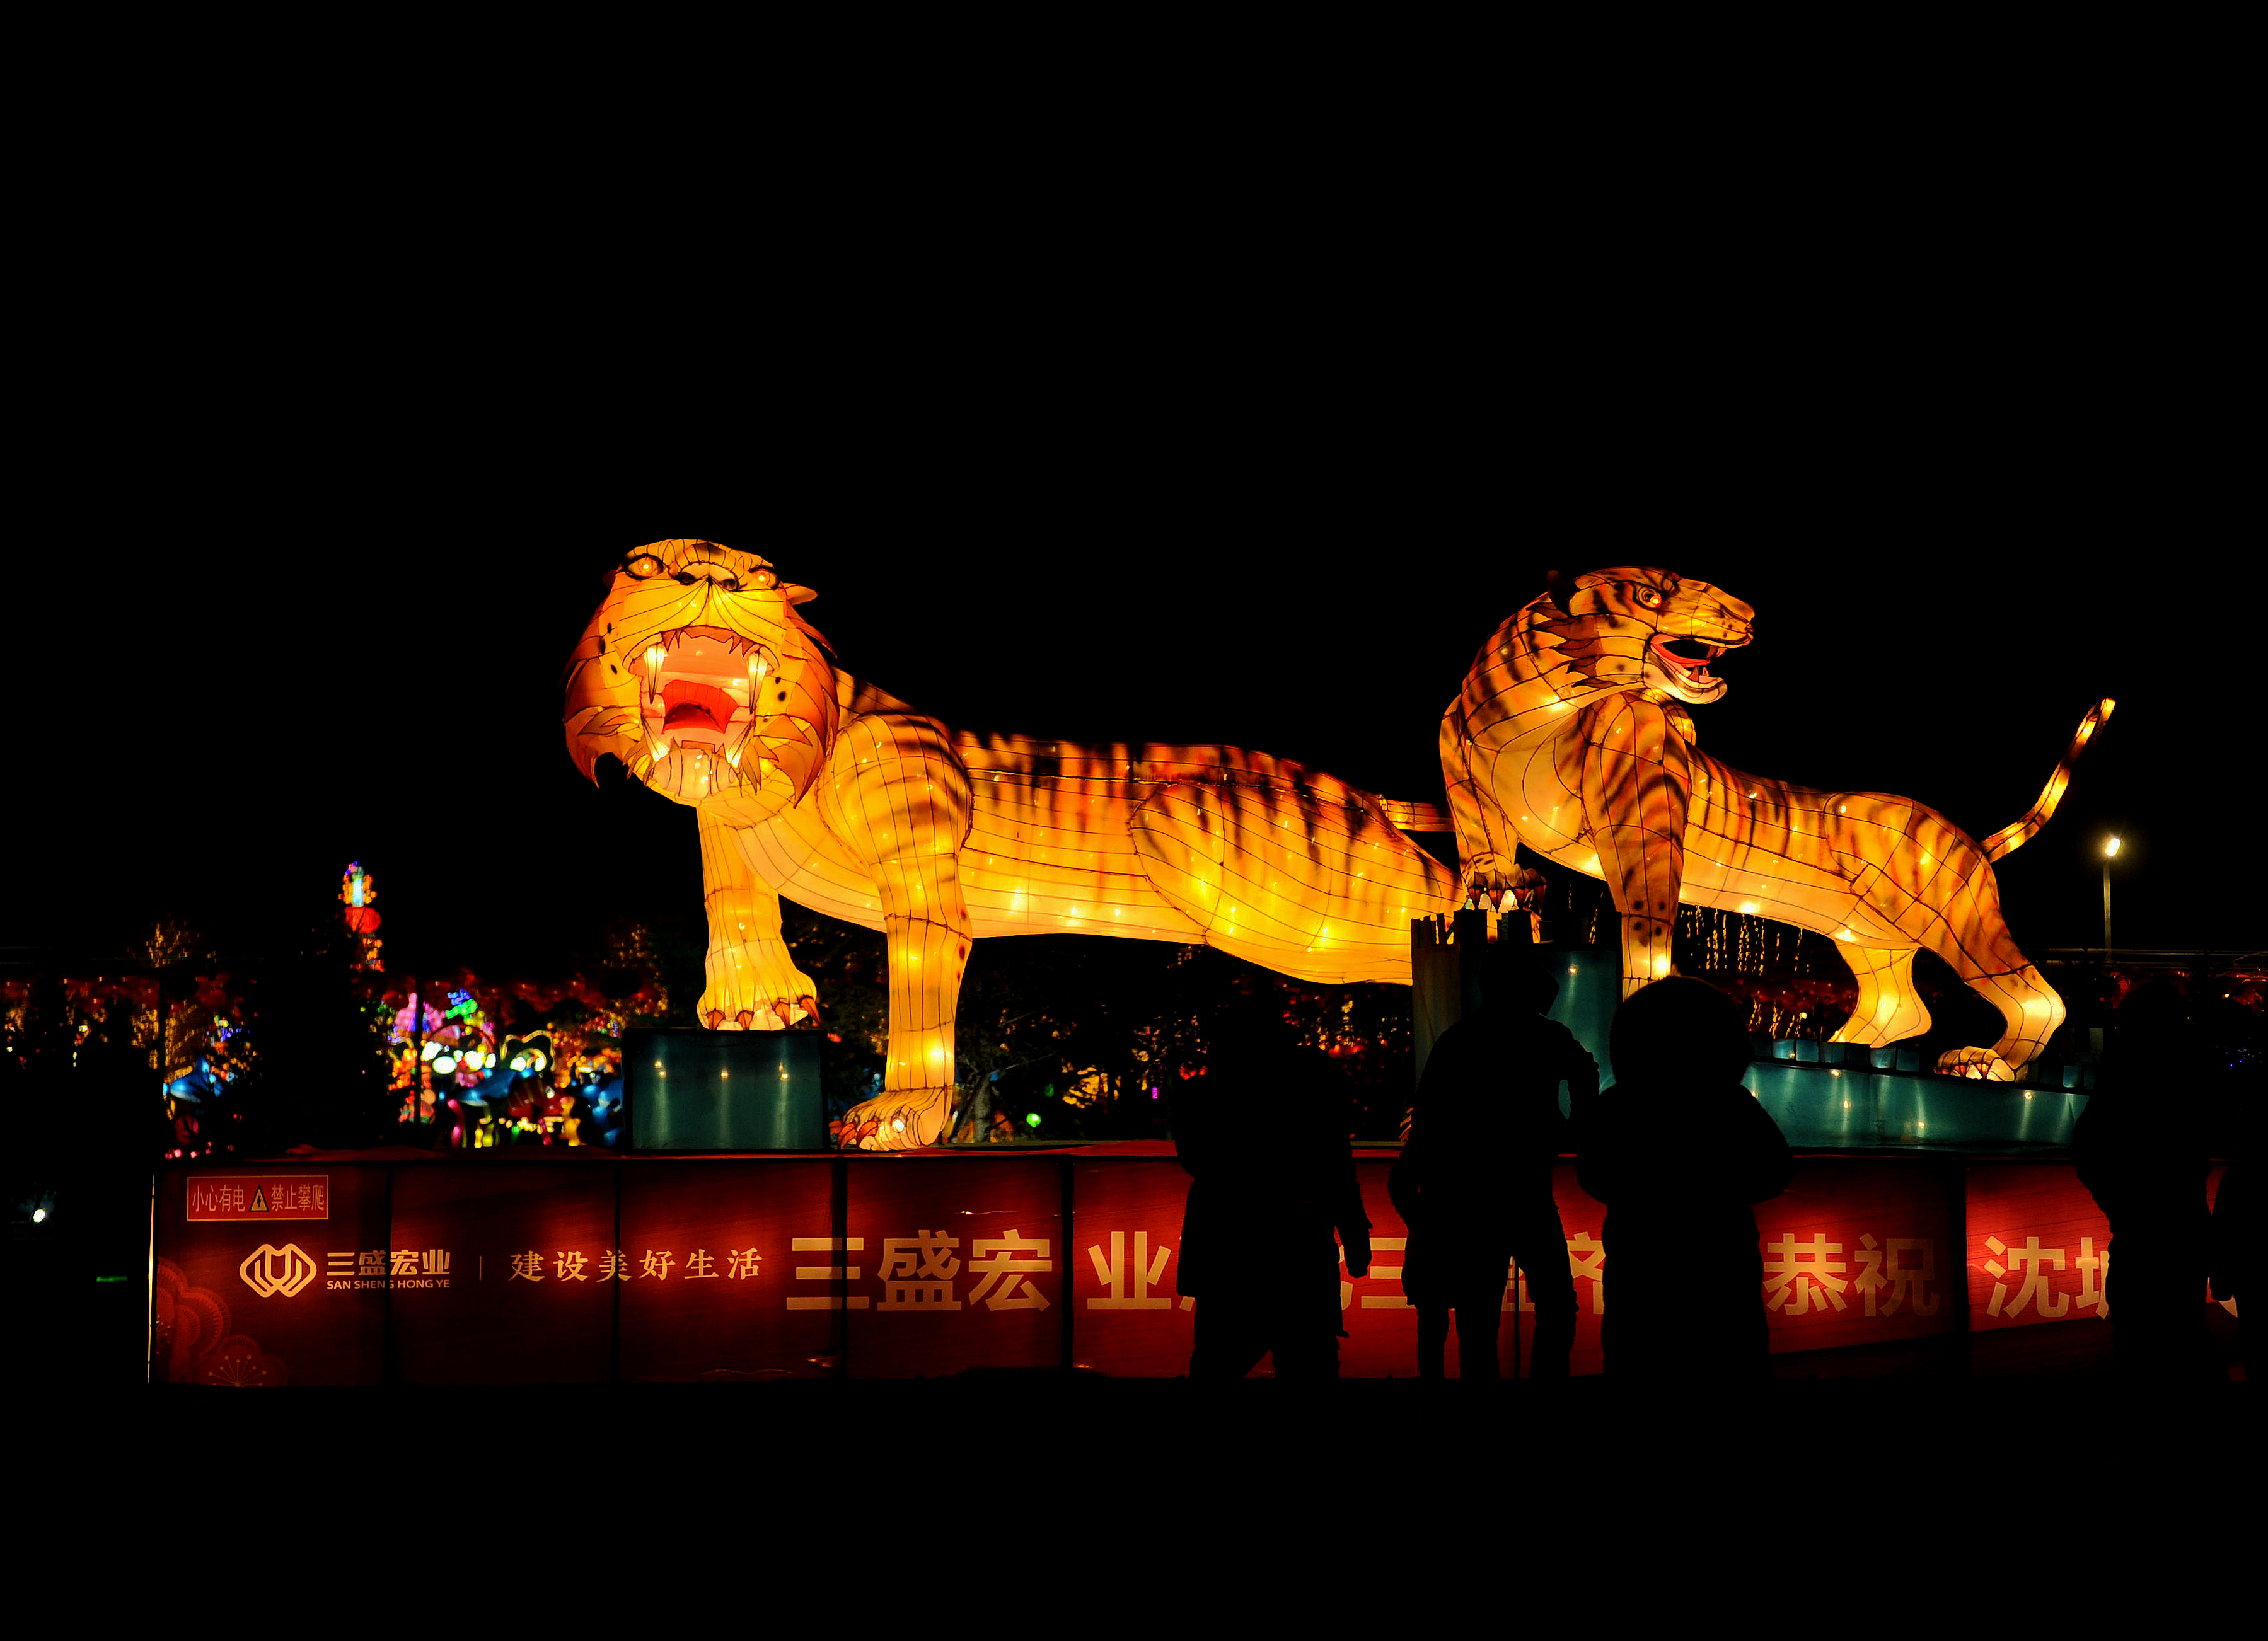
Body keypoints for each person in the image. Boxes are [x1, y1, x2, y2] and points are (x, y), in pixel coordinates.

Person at [1389, 941, 1597, 1378]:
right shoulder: (1548, 1036)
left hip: (1469, 1199)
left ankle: (1480, 1414)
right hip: (1529, 1192)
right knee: (1557, 1304)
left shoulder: (1459, 1040)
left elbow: (1427, 1117)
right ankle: (1544, 1396)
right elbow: (1585, 1072)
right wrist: (1579, 1126)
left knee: (1478, 1315)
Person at [1570, 977, 1792, 1378]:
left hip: (1638, 1269)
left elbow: (1594, 1174)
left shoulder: (1619, 1105)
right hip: (1724, 1269)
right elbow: (1774, 1171)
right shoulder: (1730, 1105)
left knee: (1637, 1359)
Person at [1176, 1013, 1370, 1379]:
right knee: (1308, 1362)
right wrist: (1355, 1236)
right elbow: (1338, 1169)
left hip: (1226, 1248)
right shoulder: (1312, 1089)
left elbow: (1194, 1159)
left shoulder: (1208, 1097)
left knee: (1218, 1360)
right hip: (1299, 1248)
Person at [2074, 981, 2219, 1379]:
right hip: (2181, 1229)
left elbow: (2087, 1148)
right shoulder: (2192, 1073)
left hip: (2142, 1235)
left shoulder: (2124, 1076)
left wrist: (2121, 1207)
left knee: (2142, 1342)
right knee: (2183, 1334)